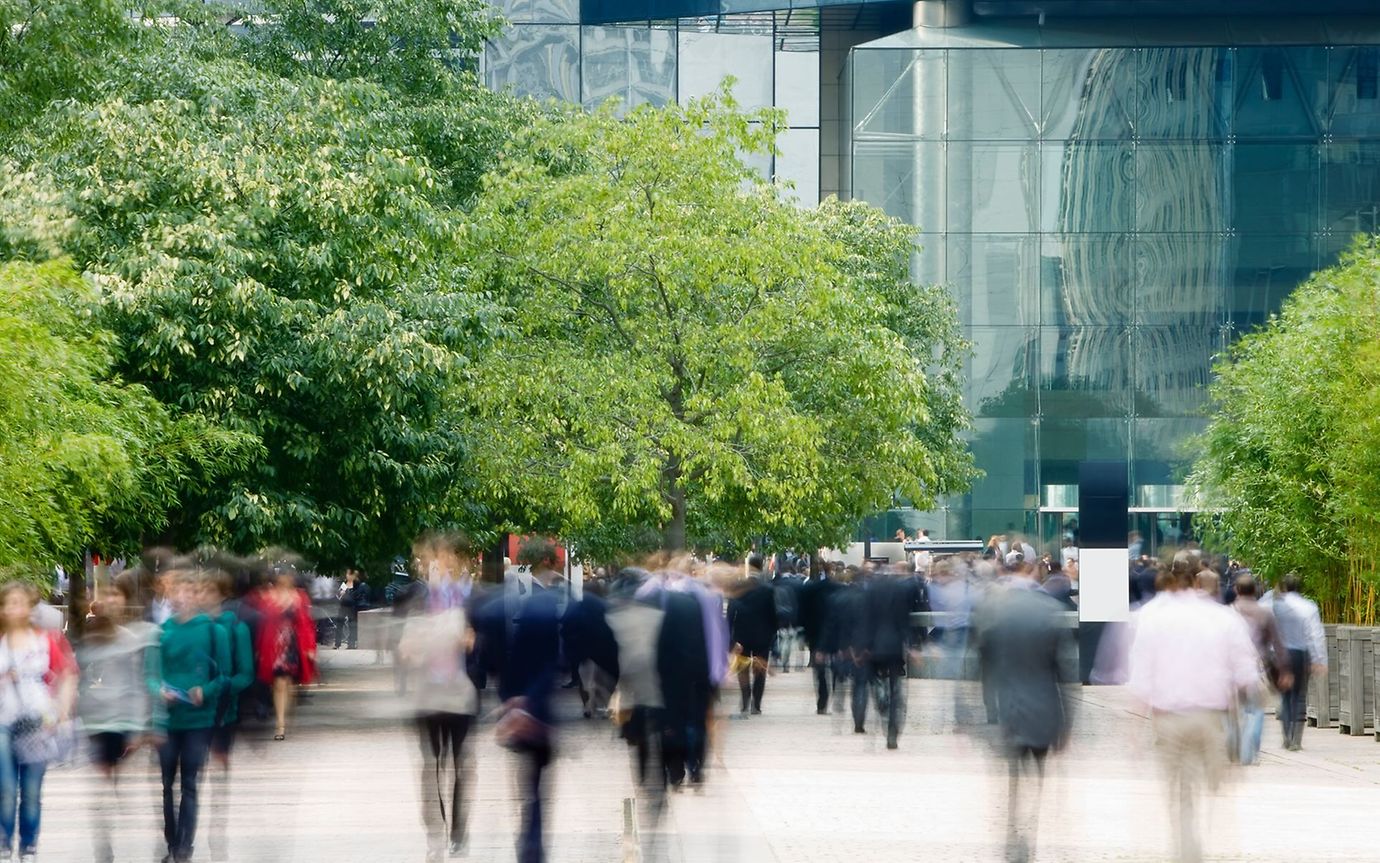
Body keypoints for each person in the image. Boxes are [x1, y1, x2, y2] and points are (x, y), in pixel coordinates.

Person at [1128, 553, 1258, 863]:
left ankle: (1187, 848)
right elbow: (1246, 675)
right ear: (1201, 577)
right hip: (1212, 718)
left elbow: (1142, 680)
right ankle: (1217, 846)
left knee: (1180, 790)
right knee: (1216, 790)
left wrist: (1133, 731)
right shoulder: (1223, 617)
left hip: (1169, 720)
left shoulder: (1152, 616)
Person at [976, 565, 1075, 863]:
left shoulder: (997, 615)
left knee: (1013, 776)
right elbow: (1065, 674)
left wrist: (984, 711)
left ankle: (1013, 831)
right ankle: (1029, 831)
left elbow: (983, 668)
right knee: (1037, 777)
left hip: (1009, 709)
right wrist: (1067, 724)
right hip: (1044, 711)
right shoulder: (1049, 612)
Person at [398, 545, 479, 862]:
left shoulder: (464, 603)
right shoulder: (417, 607)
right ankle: (437, 833)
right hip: (429, 696)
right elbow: (407, 652)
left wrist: (467, 639)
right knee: (432, 768)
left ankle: (457, 833)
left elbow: (473, 644)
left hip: (457, 695)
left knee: (461, 768)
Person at [153, 567, 230, 863]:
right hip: (169, 719)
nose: (182, 597)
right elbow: (152, 674)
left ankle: (185, 846)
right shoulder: (162, 633)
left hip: (199, 720)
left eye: (189, 592)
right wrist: (159, 690)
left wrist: (205, 690)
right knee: (166, 785)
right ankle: (172, 840)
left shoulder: (214, 631)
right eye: (177, 592)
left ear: (197, 596)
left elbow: (223, 676)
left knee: (190, 783)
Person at [78, 572, 156, 863]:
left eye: (116, 595)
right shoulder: (90, 636)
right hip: (97, 720)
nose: (110, 600)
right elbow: (80, 677)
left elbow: (137, 684)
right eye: (106, 595)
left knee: (116, 781)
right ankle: (104, 840)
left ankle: (117, 825)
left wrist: (137, 726)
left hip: (121, 720)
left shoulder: (130, 639)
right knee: (103, 781)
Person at [497, 539, 564, 863]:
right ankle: (532, 845)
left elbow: (500, 657)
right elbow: (554, 662)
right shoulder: (544, 605)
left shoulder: (513, 604)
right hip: (537, 709)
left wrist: (510, 700)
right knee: (534, 786)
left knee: (527, 784)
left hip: (518, 706)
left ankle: (528, 843)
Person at [0, 582, 77, 863]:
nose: (13, 608)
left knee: (31, 791)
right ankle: (4, 844)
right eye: (8, 603)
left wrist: (62, 711)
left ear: (30, 607)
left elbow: (68, 673)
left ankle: (29, 846)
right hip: (3, 721)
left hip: (37, 722)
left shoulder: (47, 640)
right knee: (6, 788)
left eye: (19, 602)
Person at [248, 565, 316, 741]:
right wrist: (259, 648)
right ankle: (280, 724)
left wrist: (310, 648)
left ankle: (284, 716)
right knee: (279, 682)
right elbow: (263, 623)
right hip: (274, 645)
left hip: (293, 644)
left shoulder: (299, 596)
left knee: (289, 683)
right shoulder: (270, 597)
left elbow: (306, 624)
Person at [1229, 574, 1289, 765]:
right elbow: (1278, 645)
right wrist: (1285, 670)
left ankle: (1234, 749)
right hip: (1258, 669)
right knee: (1255, 711)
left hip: (1231, 669)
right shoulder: (1265, 614)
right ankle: (1250, 752)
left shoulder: (1228, 613)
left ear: (1236, 590)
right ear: (1255, 591)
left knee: (1233, 711)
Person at [1271, 572, 1327, 752]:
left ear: (1285, 587)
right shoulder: (1308, 607)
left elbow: (1272, 633)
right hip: (1300, 654)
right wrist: (1319, 659)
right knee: (1299, 695)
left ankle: (1286, 735)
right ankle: (1297, 739)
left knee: (1285, 695)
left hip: (1281, 655)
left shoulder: (1276, 606)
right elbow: (1315, 635)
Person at [727, 555, 776, 716]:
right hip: (763, 635)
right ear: (762, 567)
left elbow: (731, 613)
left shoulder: (739, 587)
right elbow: (773, 615)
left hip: (742, 635)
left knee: (742, 669)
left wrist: (731, 639)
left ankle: (745, 700)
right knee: (760, 669)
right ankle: (757, 703)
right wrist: (772, 636)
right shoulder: (768, 589)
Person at [799, 565, 840, 715]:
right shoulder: (839, 588)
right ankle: (836, 696)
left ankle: (822, 702)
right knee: (836, 666)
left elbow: (803, 613)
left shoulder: (809, 589)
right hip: (836, 633)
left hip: (815, 634)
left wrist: (806, 633)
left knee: (820, 671)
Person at [335, 569, 370, 650]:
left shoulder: (358, 584)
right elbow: (338, 594)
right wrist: (341, 594)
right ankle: (337, 643)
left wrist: (348, 594)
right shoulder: (345, 583)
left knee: (352, 625)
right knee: (339, 624)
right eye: (347, 574)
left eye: (348, 574)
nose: (347, 575)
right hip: (343, 606)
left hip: (352, 606)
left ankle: (351, 644)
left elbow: (357, 595)